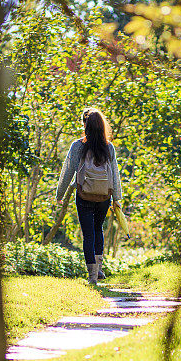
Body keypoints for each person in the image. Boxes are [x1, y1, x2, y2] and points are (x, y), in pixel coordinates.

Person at [56, 108, 122, 284]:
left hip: (84, 194)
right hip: (104, 196)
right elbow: (115, 174)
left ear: (84, 125)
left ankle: (92, 276)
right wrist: (117, 198)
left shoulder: (77, 145)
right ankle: (99, 269)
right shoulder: (109, 147)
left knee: (88, 234)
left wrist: (59, 194)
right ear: (101, 126)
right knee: (98, 229)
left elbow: (68, 171)